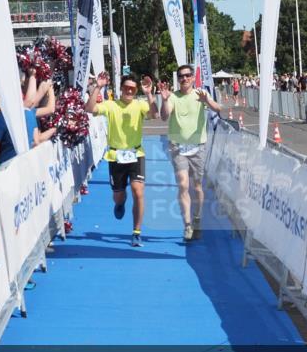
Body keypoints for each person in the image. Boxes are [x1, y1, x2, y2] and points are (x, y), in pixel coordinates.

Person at [86, 70, 157, 247]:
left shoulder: (140, 105)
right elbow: (90, 109)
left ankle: (136, 232)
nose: (130, 91)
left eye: (133, 89)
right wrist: (98, 87)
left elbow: (155, 115)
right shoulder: (111, 105)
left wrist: (149, 94)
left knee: (138, 191)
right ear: (121, 88)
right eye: (127, 88)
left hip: (136, 154)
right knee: (119, 196)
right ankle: (120, 203)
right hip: (116, 156)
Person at [159, 64, 223, 241]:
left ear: (192, 78)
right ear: (177, 79)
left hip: (198, 147)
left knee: (197, 187)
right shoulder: (172, 96)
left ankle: (197, 219)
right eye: (181, 76)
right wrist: (164, 100)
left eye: (187, 75)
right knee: (183, 185)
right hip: (178, 146)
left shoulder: (201, 94)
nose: (184, 79)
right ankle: (187, 225)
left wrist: (207, 102)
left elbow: (218, 108)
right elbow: (164, 117)